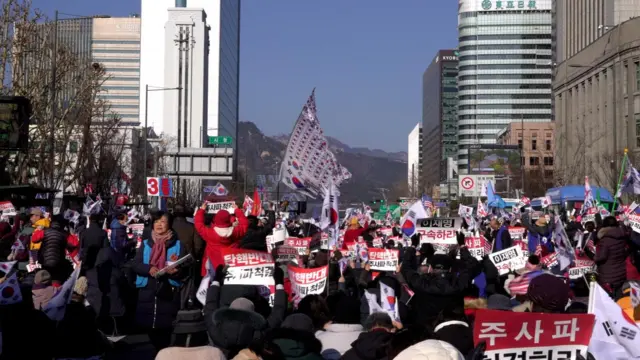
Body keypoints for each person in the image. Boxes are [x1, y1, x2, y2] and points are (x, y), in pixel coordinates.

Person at [132, 211, 188, 353]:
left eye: (162, 221)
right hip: (147, 288)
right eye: (156, 221)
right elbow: (136, 264)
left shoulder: (178, 245)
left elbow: (184, 270)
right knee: (150, 330)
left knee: (166, 330)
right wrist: (149, 268)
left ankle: (163, 352)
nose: (159, 224)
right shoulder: (145, 244)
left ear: (169, 224)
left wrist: (176, 272)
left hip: (168, 290)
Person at [194, 202, 248, 275]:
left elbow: (198, 224)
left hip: (213, 267)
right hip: (230, 266)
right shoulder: (236, 232)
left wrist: (201, 210)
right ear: (229, 219)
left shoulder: (209, 233)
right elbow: (244, 224)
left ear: (215, 219)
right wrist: (237, 210)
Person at [595, 216, 628, 297]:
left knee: (609, 299)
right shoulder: (622, 237)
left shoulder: (605, 240)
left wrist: (594, 257)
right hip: (621, 273)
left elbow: (601, 257)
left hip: (608, 276)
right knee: (619, 297)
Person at [39, 216, 70, 285]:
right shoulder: (64, 233)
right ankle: (55, 293)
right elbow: (72, 244)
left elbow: (35, 240)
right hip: (58, 261)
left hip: (45, 261)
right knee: (56, 279)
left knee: (45, 279)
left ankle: (45, 293)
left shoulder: (45, 231)